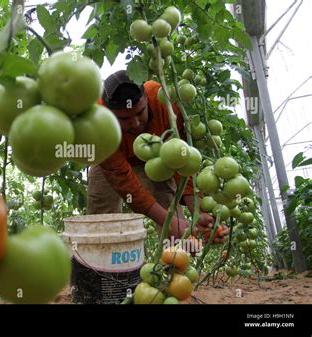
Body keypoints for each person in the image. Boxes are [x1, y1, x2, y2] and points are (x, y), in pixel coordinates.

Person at [87, 70, 228, 243]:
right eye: (124, 119)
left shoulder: (163, 101)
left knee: (167, 200)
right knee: (100, 212)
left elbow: (181, 162)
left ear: (146, 98)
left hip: (157, 159)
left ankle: (175, 261)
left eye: (140, 113)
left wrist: (196, 209)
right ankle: (103, 264)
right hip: (111, 162)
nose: (136, 123)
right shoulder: (98, 123)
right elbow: (123, 181)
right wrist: (166, 221)